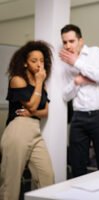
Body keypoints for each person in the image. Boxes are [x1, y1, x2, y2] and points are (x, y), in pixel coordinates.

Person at [0, 41, 55, 200]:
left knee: (47, 177)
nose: (39, 65)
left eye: (42, 61)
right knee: (11, 183)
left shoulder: (42, 85)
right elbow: (31, 104)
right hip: (18, 130)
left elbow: (44, 111)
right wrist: (38, 82)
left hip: (35, 131)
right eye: (34, 60)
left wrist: (32, 113)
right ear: (25, 62)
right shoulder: (17, 79)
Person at [59, 24, 99, 177]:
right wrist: (77, 81)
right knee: (77, 165)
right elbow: (65, 95)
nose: (68, 46)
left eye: (71, 41)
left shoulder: (95, 53)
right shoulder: (64, 65)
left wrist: (77, 63)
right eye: (65, 42)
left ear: (80, 41)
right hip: (79, 117)